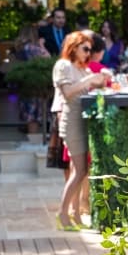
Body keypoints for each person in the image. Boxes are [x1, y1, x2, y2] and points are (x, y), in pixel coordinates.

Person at [52, 31, 110, 230]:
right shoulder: (64, 65)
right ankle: (62, 213)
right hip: (72, 122)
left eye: (90, 50)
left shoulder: (80, 67)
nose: (88, 53)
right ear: (73, 47)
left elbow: (93, 86)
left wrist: (101, 79)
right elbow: (68, 92)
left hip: (83, 121)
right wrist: (89, 80)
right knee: (79, 171)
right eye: (85, 49)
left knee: (80, 170)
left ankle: (75, 215)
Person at [12, 23, 50, 135]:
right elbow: (47, 58)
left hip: (24, 84)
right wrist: (42, 44)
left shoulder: (20, 47)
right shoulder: (32, 48)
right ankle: (33, 140)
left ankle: (31, 138)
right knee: (33, 115)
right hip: (35, 85)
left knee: (28, 114)